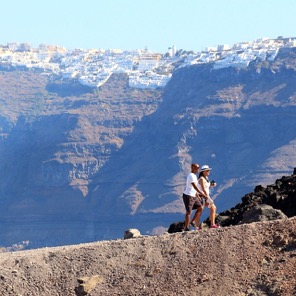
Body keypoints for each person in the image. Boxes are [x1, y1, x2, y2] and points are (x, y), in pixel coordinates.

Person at [182, 163, 205, 231]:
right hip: (188, 196)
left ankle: (192, 221)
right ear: (193, 168)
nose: (198, 169)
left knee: (200, 207)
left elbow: (194, 189)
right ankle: (187, 227)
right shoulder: (191, 176)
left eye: (198, 168)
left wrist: (198, 196)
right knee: (188, 212)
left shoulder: (194, 176)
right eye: (197, 168)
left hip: (193, 195)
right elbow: (195, 187)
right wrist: (203, 194)